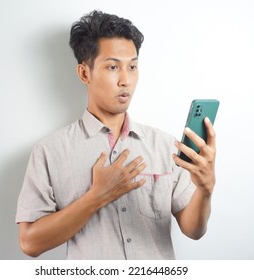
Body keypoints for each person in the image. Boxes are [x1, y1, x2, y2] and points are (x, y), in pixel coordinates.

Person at [15, 10, 217, 260]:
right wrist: (96, 197)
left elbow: (193, 229)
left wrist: (205, 189)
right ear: (84, 74)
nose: (126, 80)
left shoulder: (165, 146)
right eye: (112, 67)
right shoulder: (49, 151)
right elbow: (30, 243)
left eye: (132, 67)